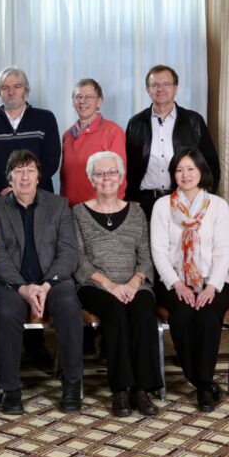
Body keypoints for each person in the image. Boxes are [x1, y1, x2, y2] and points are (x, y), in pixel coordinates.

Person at [0, 149, 83, 414]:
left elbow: (68, 252)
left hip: (51, 281)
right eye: (18, 171)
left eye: (30, 170)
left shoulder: (58, 205)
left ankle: (72, 383)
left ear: (39, 176)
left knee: (68, 305)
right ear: (10, 178)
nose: (25, 177)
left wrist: (46, 284)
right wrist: (23, 288)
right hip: (11, 283)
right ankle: (11, 389)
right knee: (6, 314)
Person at [72, 151, 161, 417]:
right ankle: (121, 389)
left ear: (121, 177)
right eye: (99, 173)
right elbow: (78, 259)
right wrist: (109, 285)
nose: (106, 178)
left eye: (112, 172)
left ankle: (142, 390)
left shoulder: (136, 212)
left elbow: (146, 256)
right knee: (116, 313)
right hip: (95, 285)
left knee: (144, 312)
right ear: (91, 179)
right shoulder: (78, 212)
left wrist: (134, 283)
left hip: (135, 283)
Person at [151, 148, 229, 412]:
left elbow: (224, 250)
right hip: (173, 280)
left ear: (201, 171)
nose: (185, 175)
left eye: (190, 169)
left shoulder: (218, 206)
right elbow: (158, 251)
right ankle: (202, 384)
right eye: (179, 169)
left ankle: (203, 384)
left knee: (209, 317)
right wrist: (177, 283)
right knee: (183, 315)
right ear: (173, 174)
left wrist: (211, 286)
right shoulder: (162, 206)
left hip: (214, 280)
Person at [125, 65, 221, 218]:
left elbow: (211, 165)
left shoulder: (193, 121)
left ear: (175, 88)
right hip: (143, 204)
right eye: (155, 85)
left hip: (184, 200)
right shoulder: (135, 123)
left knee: (181, 242)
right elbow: (127, 166)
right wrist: (129, 200)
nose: (160, 89)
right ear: (147, 90)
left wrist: (201, 199)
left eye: (166, 84)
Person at [0, 66, 61, 202]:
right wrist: (5, 189)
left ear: (25, 89)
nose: (11, 92)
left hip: (39, 198)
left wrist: (25, 189)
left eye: (17, 86)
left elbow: (51, 160)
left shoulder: (45, 119)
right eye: (5, 87)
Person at [60, 79, 127, 207]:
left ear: (99, 102)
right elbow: (64, 178)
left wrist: (113, 209)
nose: (83, 101)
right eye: (78, 97)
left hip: (100, 210)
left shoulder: (113, 132)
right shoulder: (67, 136)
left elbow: (120, 177)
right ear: (73, 102)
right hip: (70, 209)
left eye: (89, 97)